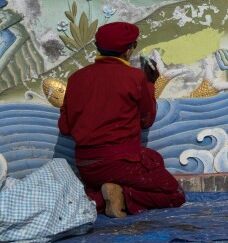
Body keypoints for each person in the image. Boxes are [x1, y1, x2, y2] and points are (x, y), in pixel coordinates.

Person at [58, 22, 185, 218]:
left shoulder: (76, 78)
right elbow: (146, 120)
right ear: (127, 51)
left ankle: (100, 194)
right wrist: (150, 83)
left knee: (154, 159)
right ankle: (114, 197)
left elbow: (65, 128)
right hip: (120, 162)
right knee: (173, 194)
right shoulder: (135, 77)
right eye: (134, 46)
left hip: (86, 165)